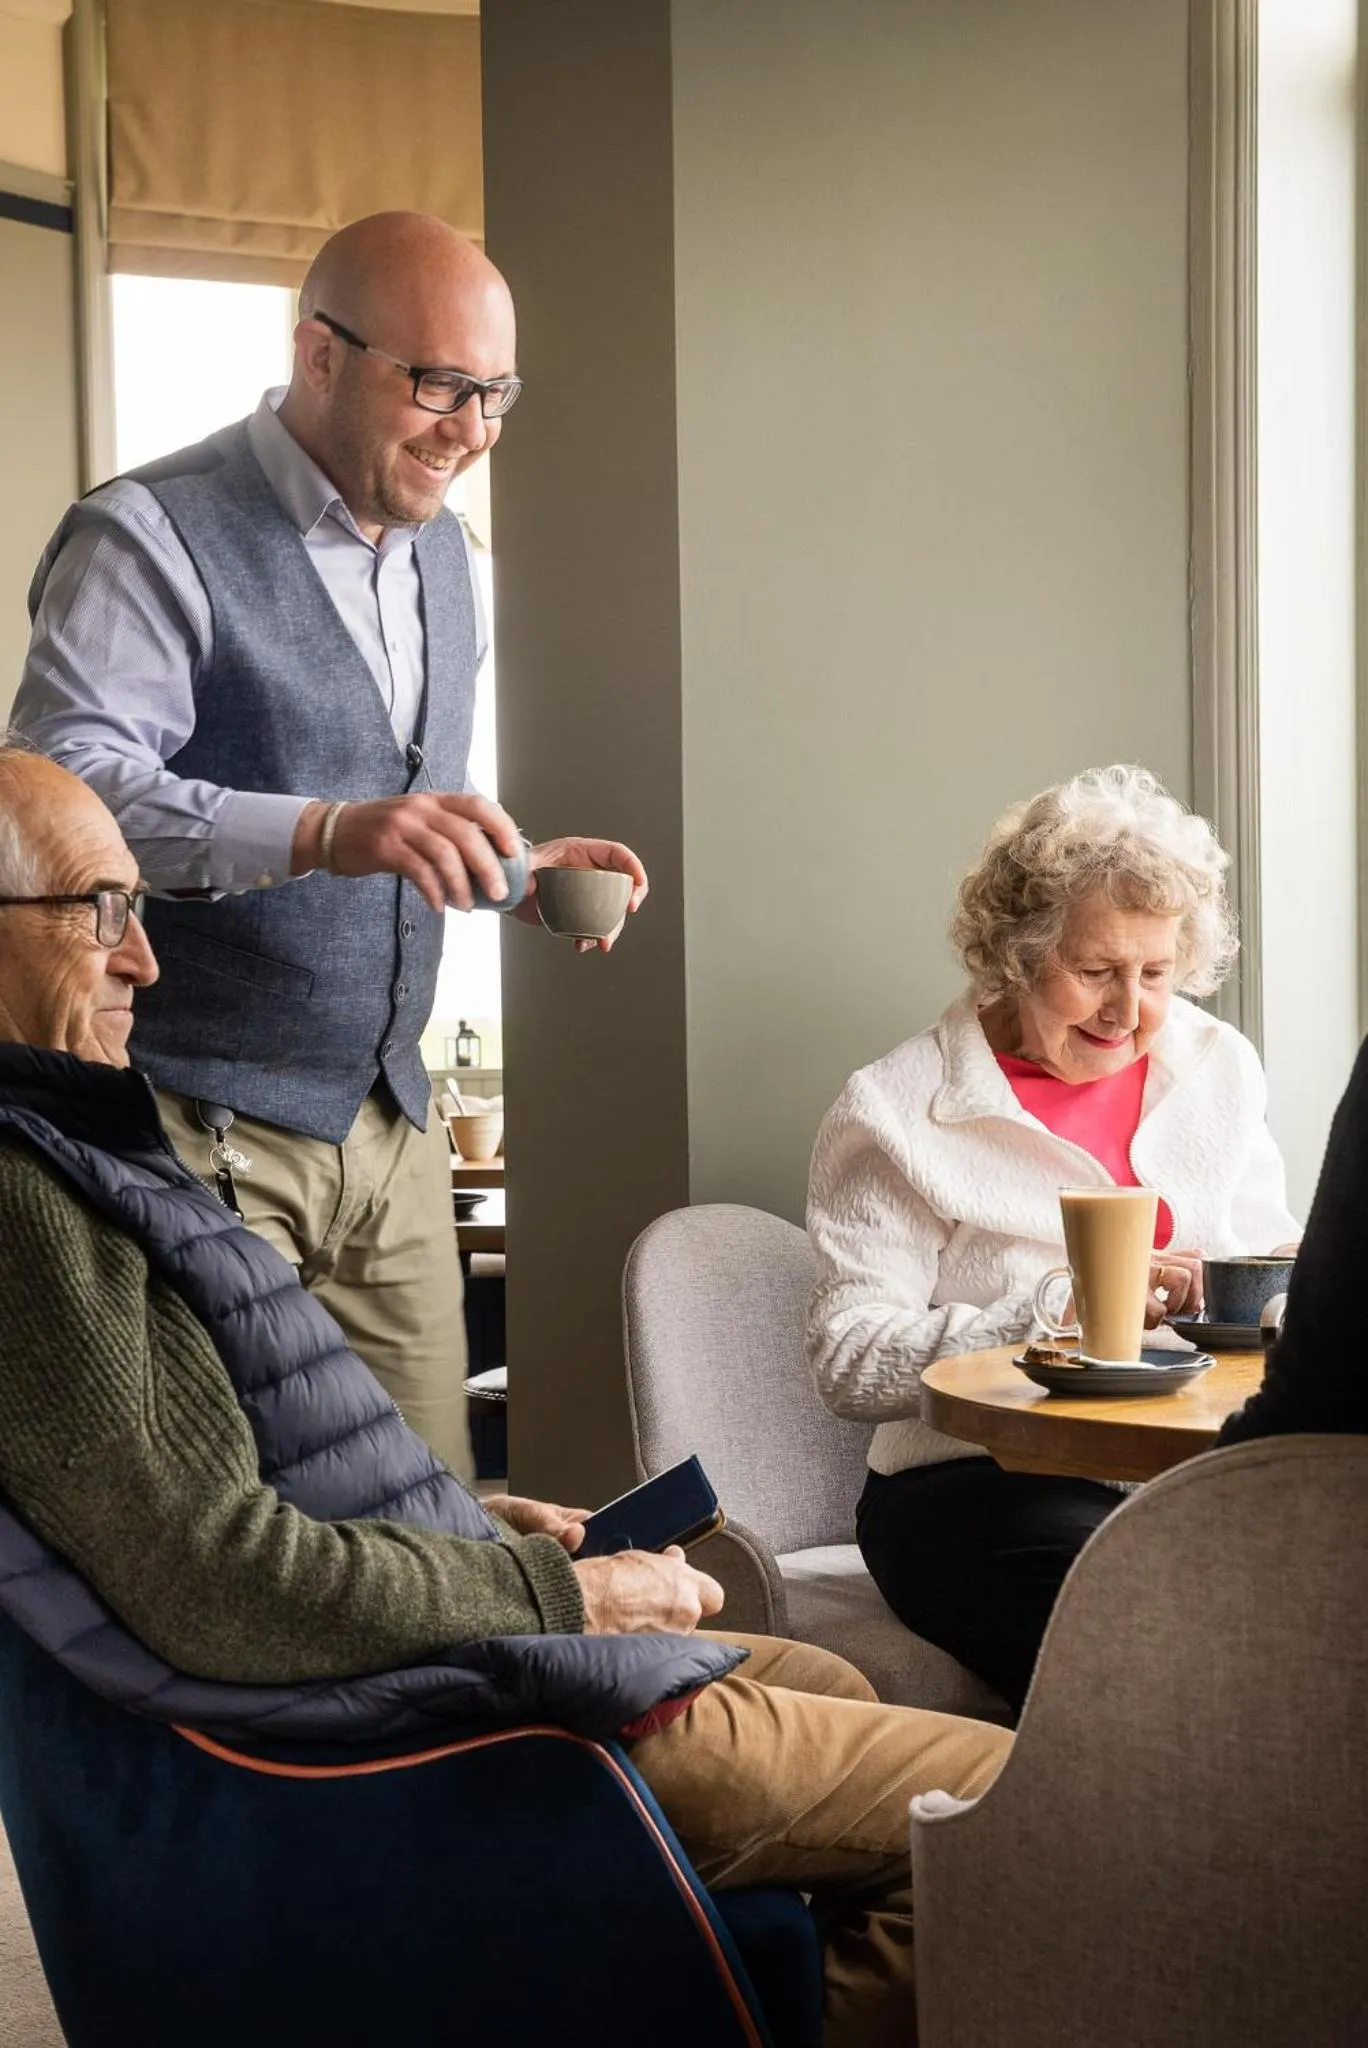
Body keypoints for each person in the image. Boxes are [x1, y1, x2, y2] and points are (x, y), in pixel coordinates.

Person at [0, 751, 1011, 2048]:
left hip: (426, 1652)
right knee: (1005, 1816)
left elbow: (209, 1489)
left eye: (145, 909)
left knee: (832, 1681)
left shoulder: (78, 1157)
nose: (144, 960)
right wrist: (556, 1594)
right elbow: (209, 1574)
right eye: (103, 910)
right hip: (413, 1711)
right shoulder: (31, 1206)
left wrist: (473, 1525)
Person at [14, 212, 647, 1479]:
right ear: (317, 354)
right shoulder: (149, 532)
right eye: (438, 386)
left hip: (393, 1135)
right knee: (233, 1532)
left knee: (440, 1525)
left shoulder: (452, 562)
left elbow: (403, 792)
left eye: (495, 394)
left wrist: (510, 869)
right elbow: (60, 797)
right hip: (194, 1120)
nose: (471, 431)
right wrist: (324, 832)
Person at [806, 764, 1300, 1714]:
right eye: (1095, 972)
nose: (1128, 1010)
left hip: (1186, 1474)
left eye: (1156, 974)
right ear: (1015, 956)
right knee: (1156, 1651)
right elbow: (847, 1360)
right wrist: (1054, 1313)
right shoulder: (899, 1108)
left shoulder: (1217, 1069)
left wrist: (1233, 1293)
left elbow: (1278, 1278)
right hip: (975, 1486)